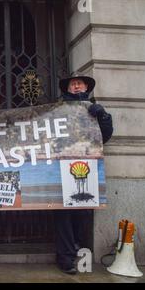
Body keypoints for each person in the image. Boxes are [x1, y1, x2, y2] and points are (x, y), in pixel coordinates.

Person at [54, 73, 113, 274]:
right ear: (68, 88)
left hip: (86, 167)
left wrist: (103, 117)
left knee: (82, 211)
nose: (77, 86)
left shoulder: (94, 109)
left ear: (86, 87)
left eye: (80, 83)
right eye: (73, 83)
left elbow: (105, 136)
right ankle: (65, 257)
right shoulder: (57, 110)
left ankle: (76, 248)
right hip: (61, 167)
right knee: (64, 212)